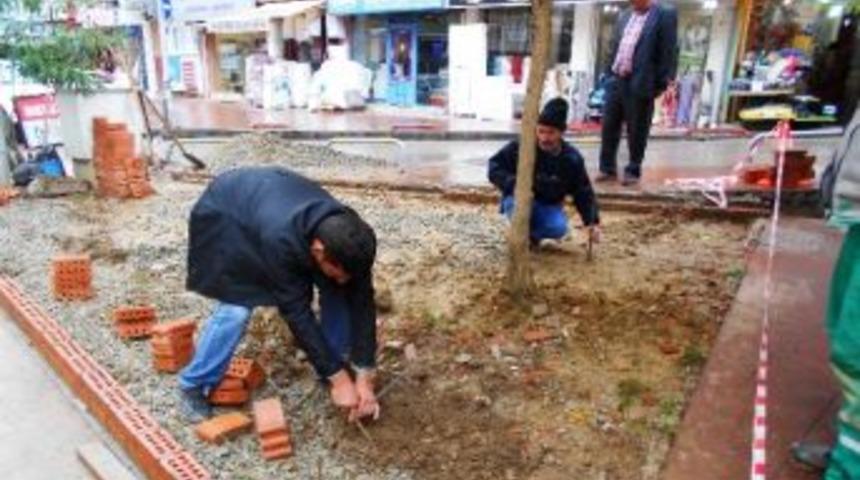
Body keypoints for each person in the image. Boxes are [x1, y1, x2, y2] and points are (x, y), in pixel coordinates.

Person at [178, 166, 380, 424]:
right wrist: (340, 380)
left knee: (340, 290)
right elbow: (297, 312)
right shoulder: (282, 241)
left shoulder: (351, 238)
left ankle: (331, 366)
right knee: (236, 309)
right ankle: (194, 384)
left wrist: (364, 375)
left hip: (273, 204)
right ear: (318, 251)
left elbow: (363, 303)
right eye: (338, 271)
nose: (343, 278)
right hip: (229, 214)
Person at [792, 107, 860, 478]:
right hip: (855, 216)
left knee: (855, 351)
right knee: (843, 335)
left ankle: (849, 466)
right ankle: (847, 446)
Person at [488, 98, 601, 246]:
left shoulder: (571, 159)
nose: (544, 138)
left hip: (547, 204)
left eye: (551, 133)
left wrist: (591, 222)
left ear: (562, 132)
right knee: (516, 208)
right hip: (517, 198)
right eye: (541, 131)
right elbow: (494, 167)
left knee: (558, 228)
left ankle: (531, 235)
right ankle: (521, 235)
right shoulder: (521, 146)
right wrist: (513, 183)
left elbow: (583, 191)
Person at [596, 0, 678, 186]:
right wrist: (608, 74)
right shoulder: (625, 15)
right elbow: (614, 46)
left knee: (637, 129)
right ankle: (607, 169)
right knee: (609, 125)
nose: (631, 3)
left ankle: (633, 170)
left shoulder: (665, 14)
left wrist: (661, 83)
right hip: (616, 79)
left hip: (641, 81)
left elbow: (669, 50)